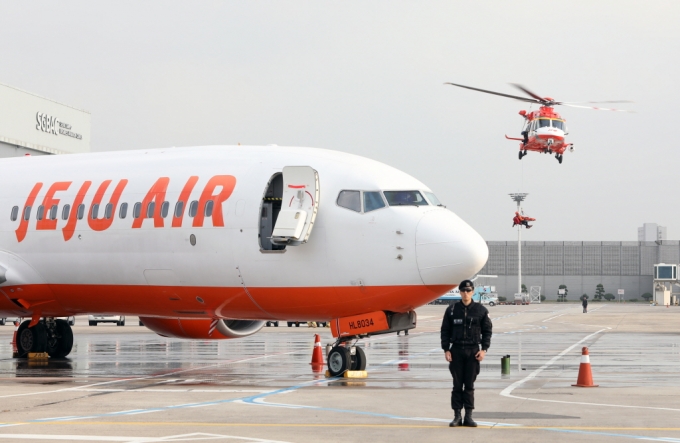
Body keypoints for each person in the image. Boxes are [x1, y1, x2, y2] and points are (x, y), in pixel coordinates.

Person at [440, 279, 493, 427]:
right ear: (460, 292)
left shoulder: (481, 311)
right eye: (463, 290)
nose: (466, 293)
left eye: (468, 291)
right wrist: (446, 349)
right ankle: (457, 416)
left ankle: (468, 416)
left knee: (469, 385)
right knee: (457, 385)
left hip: (473, 351)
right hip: (456, 350)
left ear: (473, 292)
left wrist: (484, 349)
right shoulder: (451, 310)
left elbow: (487, 331)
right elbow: (445, 331)